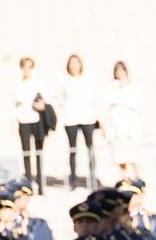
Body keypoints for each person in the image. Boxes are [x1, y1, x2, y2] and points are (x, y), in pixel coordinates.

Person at [59, 54, 98, 189]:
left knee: (90, 148)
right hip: (71, 119)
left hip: (87, 118)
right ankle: (73, 179)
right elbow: (60, 100)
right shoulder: (64, 81)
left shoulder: (87, 80)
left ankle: (92, 177)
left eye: (76, 63)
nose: (74, 66)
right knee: (73, 149)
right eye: (71, 63)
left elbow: (93, 99)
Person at [14, 57, 49, 193]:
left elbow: (45, 99)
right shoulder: (17, 83)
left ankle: (40, 184)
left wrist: (41, 105)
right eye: (24, 66)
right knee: (27, 153)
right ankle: (28, 185)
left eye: (29, 66)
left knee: (39, 152)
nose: (27, 69)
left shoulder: (38, 82)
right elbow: (15, 102)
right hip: (23, 120)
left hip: (37, 119)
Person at [105, 61, 140, 180]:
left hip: (129, 127)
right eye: (117, 70)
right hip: (116, 127)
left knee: (133, 157)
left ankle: (138, 182)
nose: (119, 72)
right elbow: (108, 106)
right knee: (120, 159)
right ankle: (125, 183)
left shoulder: (131, 86)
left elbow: (134, 105)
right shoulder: (112, 87)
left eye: (122, 70)